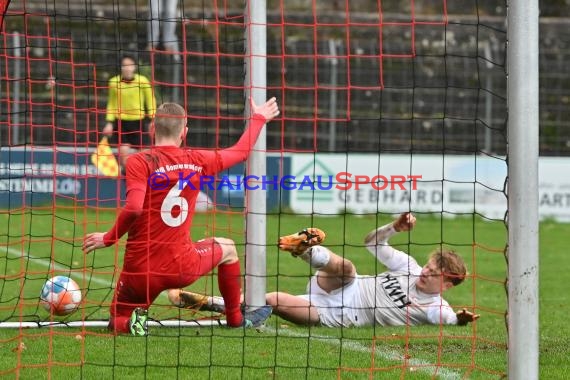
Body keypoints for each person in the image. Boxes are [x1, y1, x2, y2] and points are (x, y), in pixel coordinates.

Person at [83, 97, 280, 335]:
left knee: (117, 320)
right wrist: (259, 118)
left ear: (152, 128)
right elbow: (240, 152)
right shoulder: (197, 160)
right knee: (228, 249)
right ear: (184, 132)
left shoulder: (139, 161)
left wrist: (109, 238)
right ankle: (236, 320)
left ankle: (133, 323)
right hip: (182, 266)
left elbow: (134, 208)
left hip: (141, 272)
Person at [171, 213, 480, 328]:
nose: (425, 272)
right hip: (343, 285)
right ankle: (306, 249)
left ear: (447, 285)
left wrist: (460, 321)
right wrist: (394, 228)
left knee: (272, 299)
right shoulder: (409, 268)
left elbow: (447, 319)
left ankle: (204, 301)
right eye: (429, 265)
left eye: (434, 273)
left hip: (340, 315)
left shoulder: (436, 306)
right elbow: (372, 244)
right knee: (348, 268)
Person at [103, 55, 156, 172]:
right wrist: (109, 122)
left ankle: (142, 177)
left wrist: (153, 119)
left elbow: (150, 100)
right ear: (121, 68)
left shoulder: (142, 81)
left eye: (130, 65)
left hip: (139, 122)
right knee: (124, 157)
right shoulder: (114, 82)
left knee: (143, 157)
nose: (127, 68)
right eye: (124, 65)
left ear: (134, 67)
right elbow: (111, 103)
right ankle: (126, 177)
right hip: (121, 122)